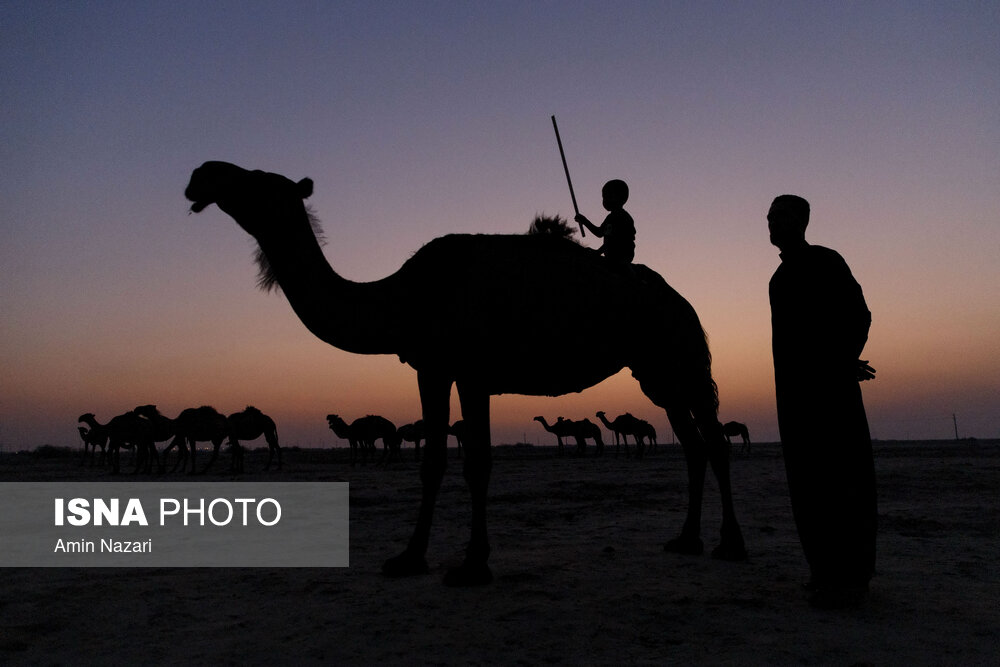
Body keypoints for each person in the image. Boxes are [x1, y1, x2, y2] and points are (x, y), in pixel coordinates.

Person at [767, 194, 877, 609]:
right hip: (795, 398)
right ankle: (824, 572)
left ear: (801, 220)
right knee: (808, 484)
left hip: (831, 394)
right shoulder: (778, 280)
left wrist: (843, 359)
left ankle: (853, 579)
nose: (773, 225)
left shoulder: (827, 262)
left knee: (845, 481)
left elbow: (859, 314)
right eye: (769, 219)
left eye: (779, 217)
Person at [574, 179, 636, 266]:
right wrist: (584, 221)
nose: (604, 201)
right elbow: (600, 233)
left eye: (608, 197)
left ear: (620, 198)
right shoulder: (610, 217)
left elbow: (616, 240)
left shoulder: (623, 217)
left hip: (623, 254)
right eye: (604, 197)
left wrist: (598, 252)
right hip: (611, 255)